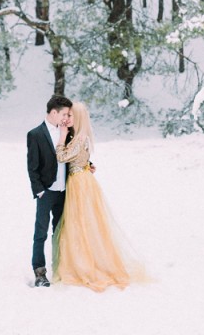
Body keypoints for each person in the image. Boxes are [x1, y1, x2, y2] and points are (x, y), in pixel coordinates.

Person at [51, 101, 146, 291]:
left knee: (81, 222)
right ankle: (78, 260)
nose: (67, 119)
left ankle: (86, 263)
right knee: (78, 222)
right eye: (66, 115)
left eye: (70, 116)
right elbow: (80, 158)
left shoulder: (79, 138)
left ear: (78, 118)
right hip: (79, 179)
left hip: (80, 183)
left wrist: (61, 137)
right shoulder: (78, 136)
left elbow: (62, 157)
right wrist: (87, 164)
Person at [26, 94, 72, 287]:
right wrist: (40, 191)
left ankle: (60, 268)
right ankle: (40, 272)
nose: (66, 118)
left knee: (61, 231)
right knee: (41, 233)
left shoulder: (68, 132)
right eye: (64, 114)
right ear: (54, 113)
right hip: (46, 192)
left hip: (65, 191)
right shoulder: (35, 134)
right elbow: (32, 167)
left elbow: (73, 155)